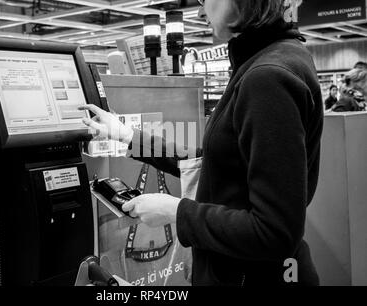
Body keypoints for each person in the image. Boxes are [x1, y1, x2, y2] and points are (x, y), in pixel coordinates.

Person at [80, 0, 323, 286]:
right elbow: (215, 164)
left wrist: (175, 211)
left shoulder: (267, 76)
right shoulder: (276, 57)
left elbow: (275, 233)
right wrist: (128, 136)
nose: (199, 11)